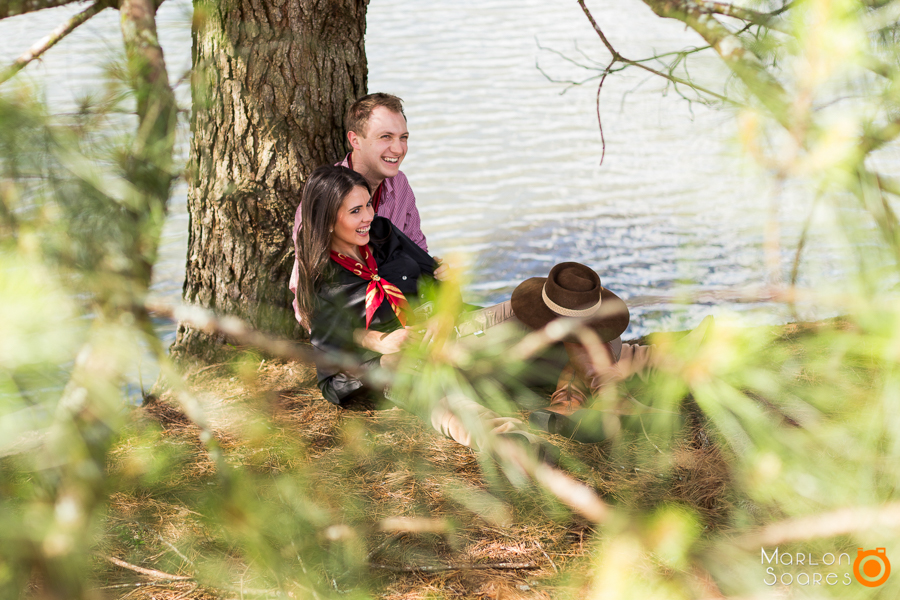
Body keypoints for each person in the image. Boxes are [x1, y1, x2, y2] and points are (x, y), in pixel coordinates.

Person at [295, 164, 664, 453]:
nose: (368, 217)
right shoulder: (324, 287)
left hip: (458, 333)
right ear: (328, 221)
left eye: (368, 205)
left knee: (557, 305)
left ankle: (593, 400)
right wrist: (382, 352)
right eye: (355, 211)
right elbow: (334, 381)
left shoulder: (384, 234)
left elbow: (437, 281)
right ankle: (511, 441)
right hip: (414, 364)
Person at [290, 93, 437, 329]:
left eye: (403, 137)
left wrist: (437, 273)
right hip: (364, 336)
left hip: (415, 317)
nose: (398, 149)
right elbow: (306, 294)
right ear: (355, 140)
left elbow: (418, 253)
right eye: (385, 137)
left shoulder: (400, 185)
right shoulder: (325, 197)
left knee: (513, 316)